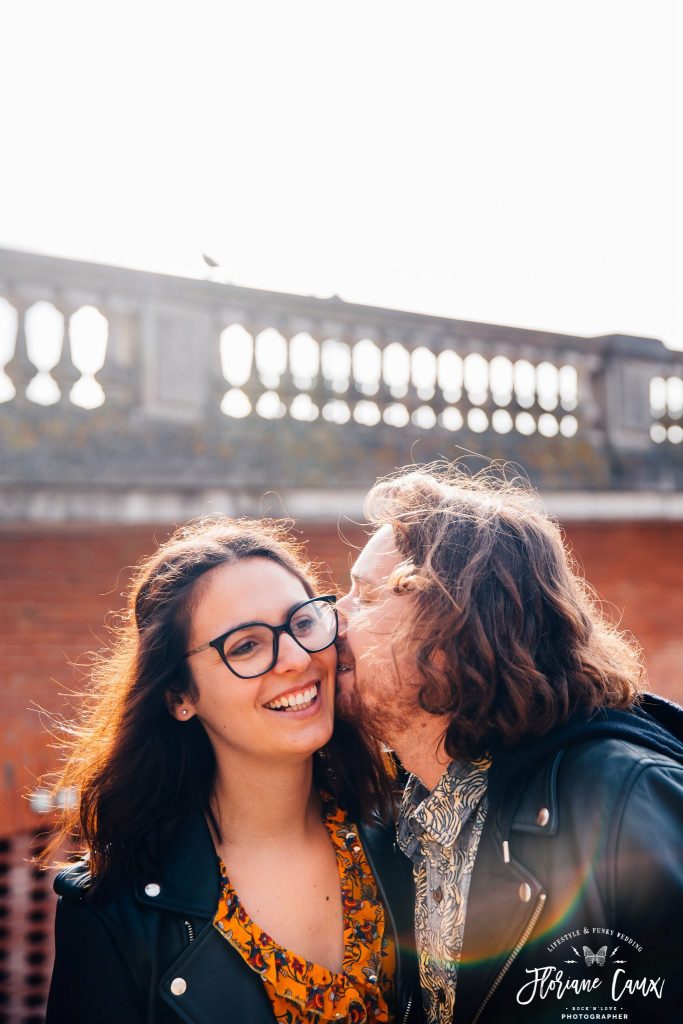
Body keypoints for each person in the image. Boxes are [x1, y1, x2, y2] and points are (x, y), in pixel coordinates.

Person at [335, 465, 683, 1024]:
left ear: (455, 630)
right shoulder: (398, 813)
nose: (335, 618)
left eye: (367, 597)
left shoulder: (622, 796)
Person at [45, 517, 420, 1024]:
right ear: (180, 696)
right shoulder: (113, 910)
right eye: (246, 646)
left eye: (303, 623)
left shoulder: (415, 834)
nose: (295, 658)